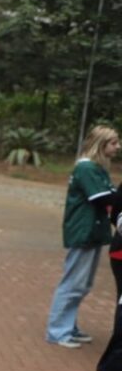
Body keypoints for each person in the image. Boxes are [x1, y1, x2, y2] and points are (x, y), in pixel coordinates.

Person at [45, 125, 120, 348]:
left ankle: (69, 326)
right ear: (101, 144)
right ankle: (58, 330)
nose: (118, 147)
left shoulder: (96, 168)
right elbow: (102, 197)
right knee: (73, 282)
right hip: (83, 230)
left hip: (93, 232)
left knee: (82, 283)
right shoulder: (87, 168)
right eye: (114, 143)